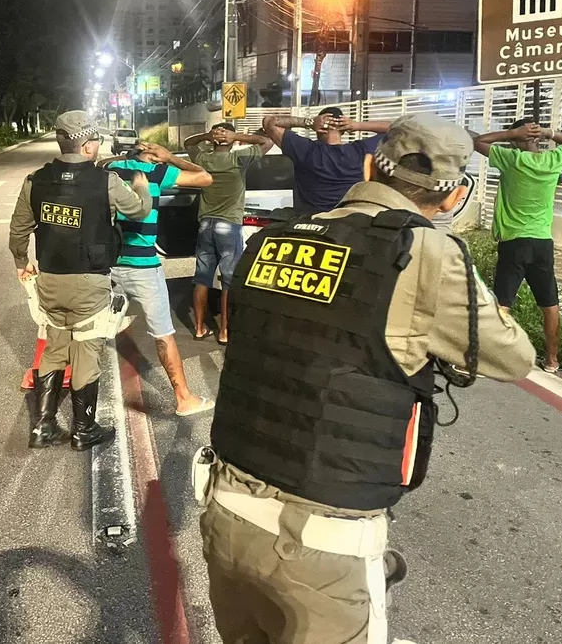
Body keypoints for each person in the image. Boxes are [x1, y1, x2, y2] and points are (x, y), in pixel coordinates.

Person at [195, 113, 536, 644]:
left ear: (372, 165)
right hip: (322, 545)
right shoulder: (426, 254)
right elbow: (513, 358)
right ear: (453, 196)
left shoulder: (275, 239)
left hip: (226, 514)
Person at [9, 111, 152, 451]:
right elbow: (139, 210)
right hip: (89, 282)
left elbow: (18, 231)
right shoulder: (106, 181)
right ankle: (84, 430)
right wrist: (141, 184)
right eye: (97, 142)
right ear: (88, 146)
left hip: (50, 281)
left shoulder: (35, 180)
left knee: (56, 345)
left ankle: (43, 426)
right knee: (87, 349)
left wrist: (21, 262)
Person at [102, 140, 216, 417]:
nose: (162, 159)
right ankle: (184, 398)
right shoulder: (156, 172)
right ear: (150, 154)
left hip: (108, 262)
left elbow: (103, 163)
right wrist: (171, 157)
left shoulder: (110, 169)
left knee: (92, 327)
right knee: (163, 333)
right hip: (143, 266)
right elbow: (205, 177)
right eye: (158, 155)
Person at [474, 119, 562, 373]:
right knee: (550, 303)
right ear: (538, 139)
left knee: (503, 302)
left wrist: (512, 133)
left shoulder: (512, 160)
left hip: (514, 242)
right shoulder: (554, 161)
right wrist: (548, 132)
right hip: (542, 242)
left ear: (515, 141)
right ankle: (552, 361)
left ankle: (490, 358)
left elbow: (478, 142)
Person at [183, 122, 274, 345]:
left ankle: (198, 328)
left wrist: (208, 135)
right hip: (229, 226)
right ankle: (224, 331)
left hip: (206, 225)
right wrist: (235, 135)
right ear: (230, 140)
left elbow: (188, 143)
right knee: (228, 281)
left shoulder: (203, 159)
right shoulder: (238, 159)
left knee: (202, 279)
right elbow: (267, 141)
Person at [262, 106, 392, 213]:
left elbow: (269, 122)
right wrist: (357, 125)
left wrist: (308, 122)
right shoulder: (360, 152)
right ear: (344, 130)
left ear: (318, 129)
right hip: (348, 228)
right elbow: (397, 128)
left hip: (309, 228)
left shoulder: (306, 150)